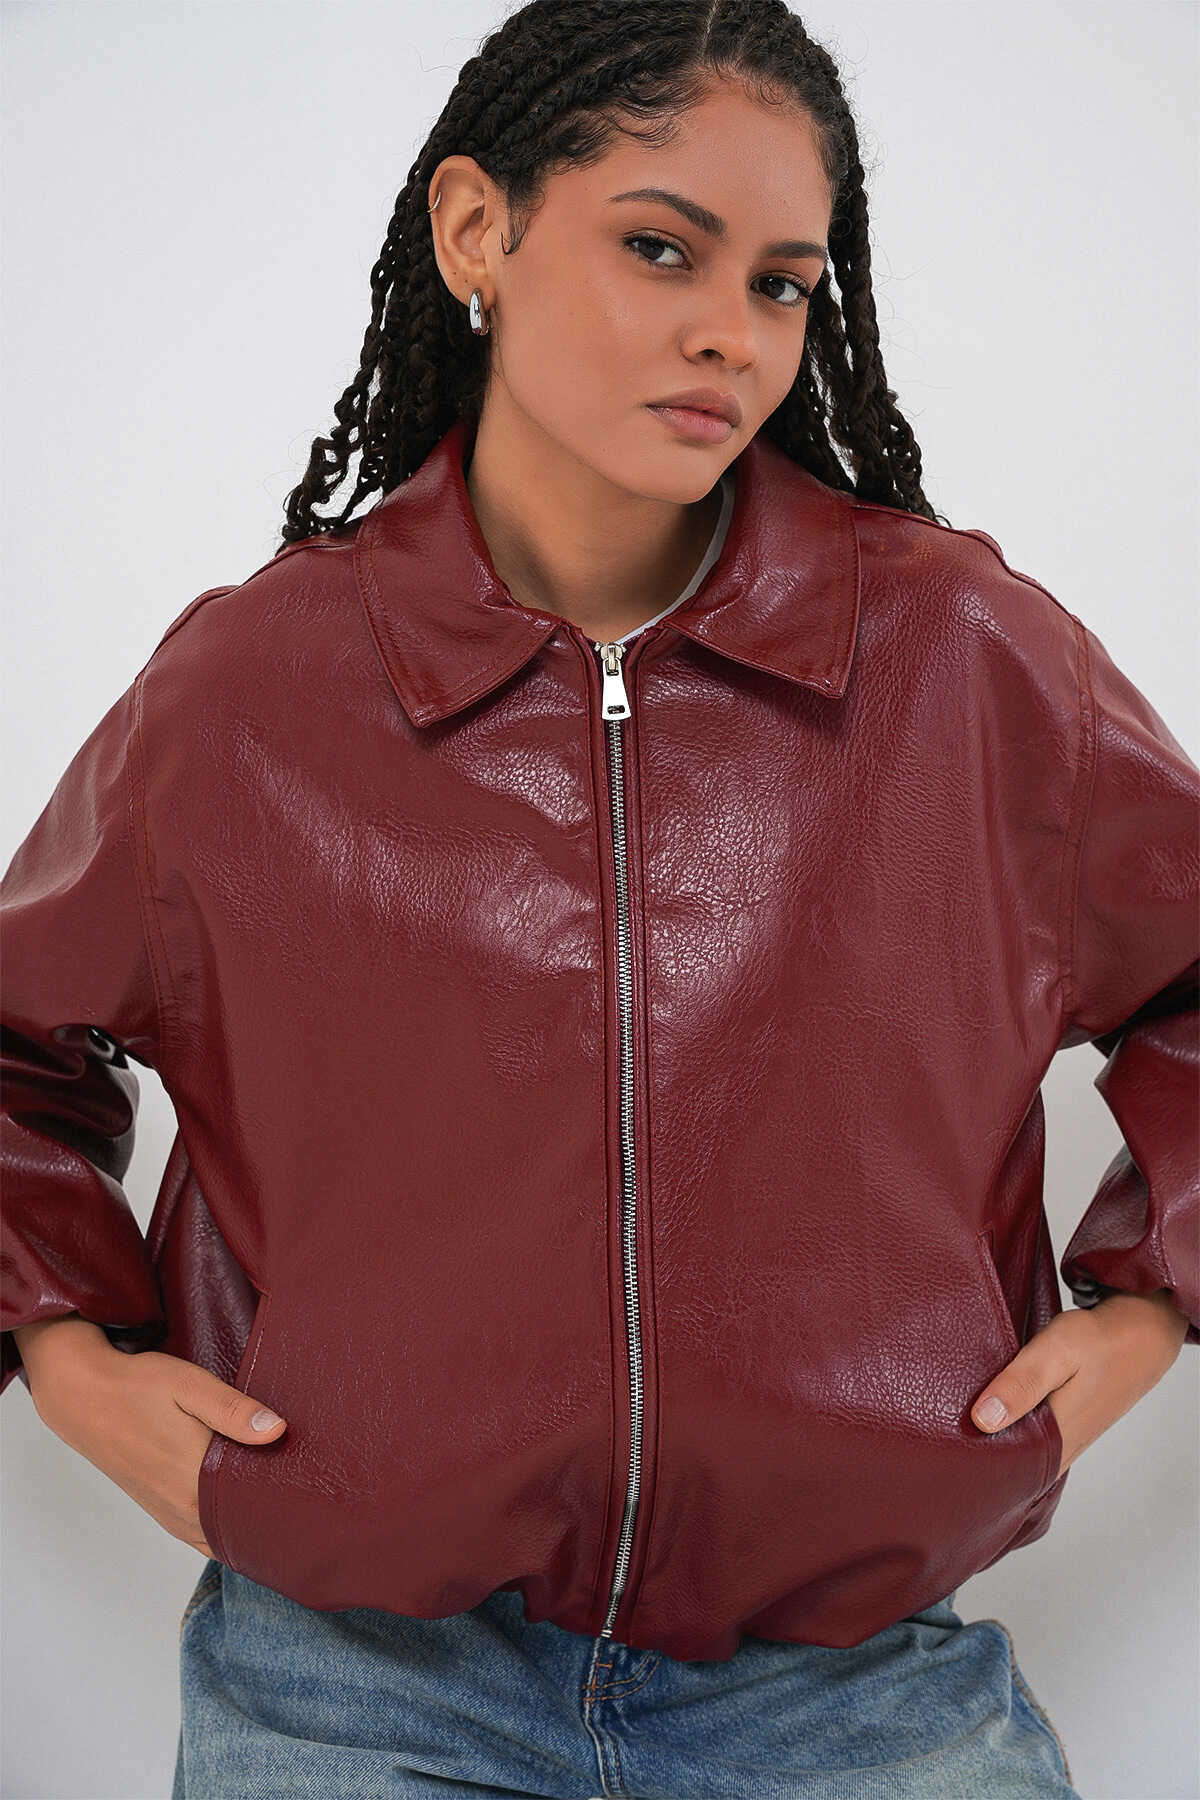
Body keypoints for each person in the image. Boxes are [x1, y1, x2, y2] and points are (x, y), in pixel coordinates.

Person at [3, 1, 1196, 1794]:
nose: (734, 332)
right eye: (660, 248)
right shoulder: (255, 690)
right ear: (475, 229)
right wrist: (68, 1362)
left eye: (783, 284)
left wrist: (1150, 1309)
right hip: (349, 1685)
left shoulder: (964, 660)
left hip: (853, 1693)